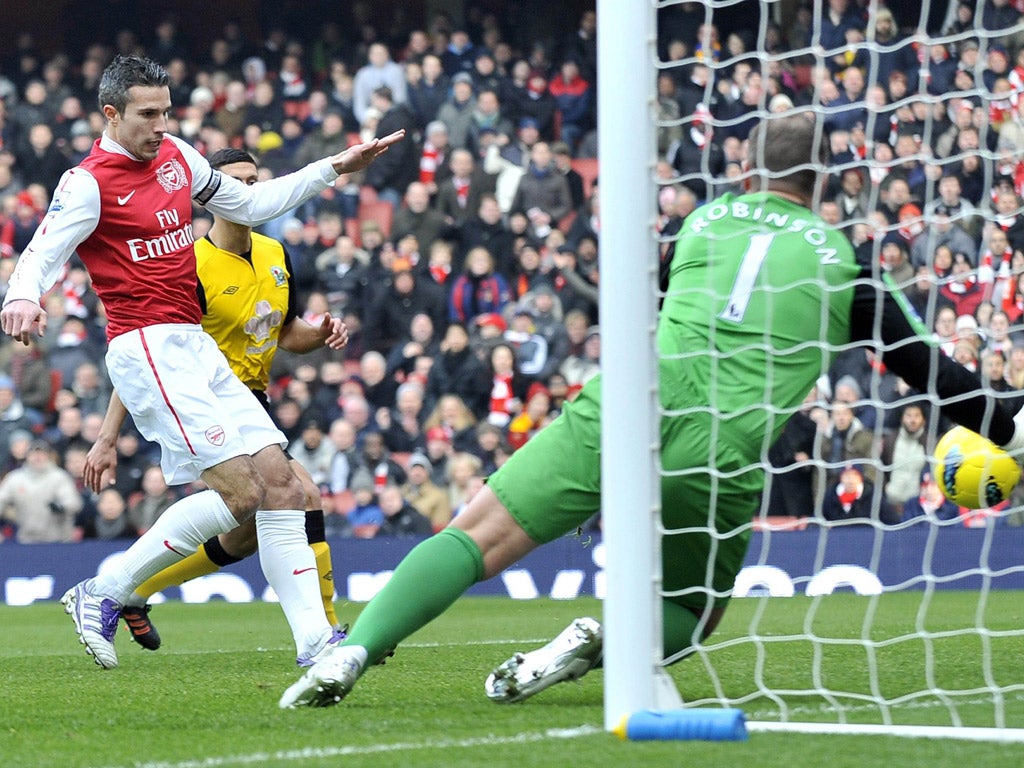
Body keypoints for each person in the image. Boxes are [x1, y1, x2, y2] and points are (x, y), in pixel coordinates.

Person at [279, 113, 1024, 710]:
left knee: (476, 535)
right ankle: (595, 643)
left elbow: (652, 303)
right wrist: (1010, 424)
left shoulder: (701, 223)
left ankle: (354, 647)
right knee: (696, 613)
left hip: (629, 407)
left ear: (746, 170)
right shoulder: (847, 263)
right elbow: (935, 375)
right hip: (722, 448)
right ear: (822, 182)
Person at [0, 55, 403, 671]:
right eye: (148, 114)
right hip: (147, 347)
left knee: (284, 485)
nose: (162, 124)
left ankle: (314, 641)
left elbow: (253, 203)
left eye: (167, 110)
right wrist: (23, 297)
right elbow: (40, 251)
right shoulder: (87, 183)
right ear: (110, 115)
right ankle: (105, 591)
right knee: (243, 494)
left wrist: (334, 167)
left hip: (194, 343)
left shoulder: (179, 158)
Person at [95, 148, 353, 655]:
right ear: (209, 194)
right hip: (203, 402)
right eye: (233, 181)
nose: (244, 189)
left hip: (251, 398)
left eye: (253, 180)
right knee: (302, 494)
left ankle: (134, 591)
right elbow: (148, 349)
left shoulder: (276, 255)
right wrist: (108, 435)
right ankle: (329, 629)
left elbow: (285, 333)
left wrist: (320, 332)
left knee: (244, 536)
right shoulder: (190, 263)